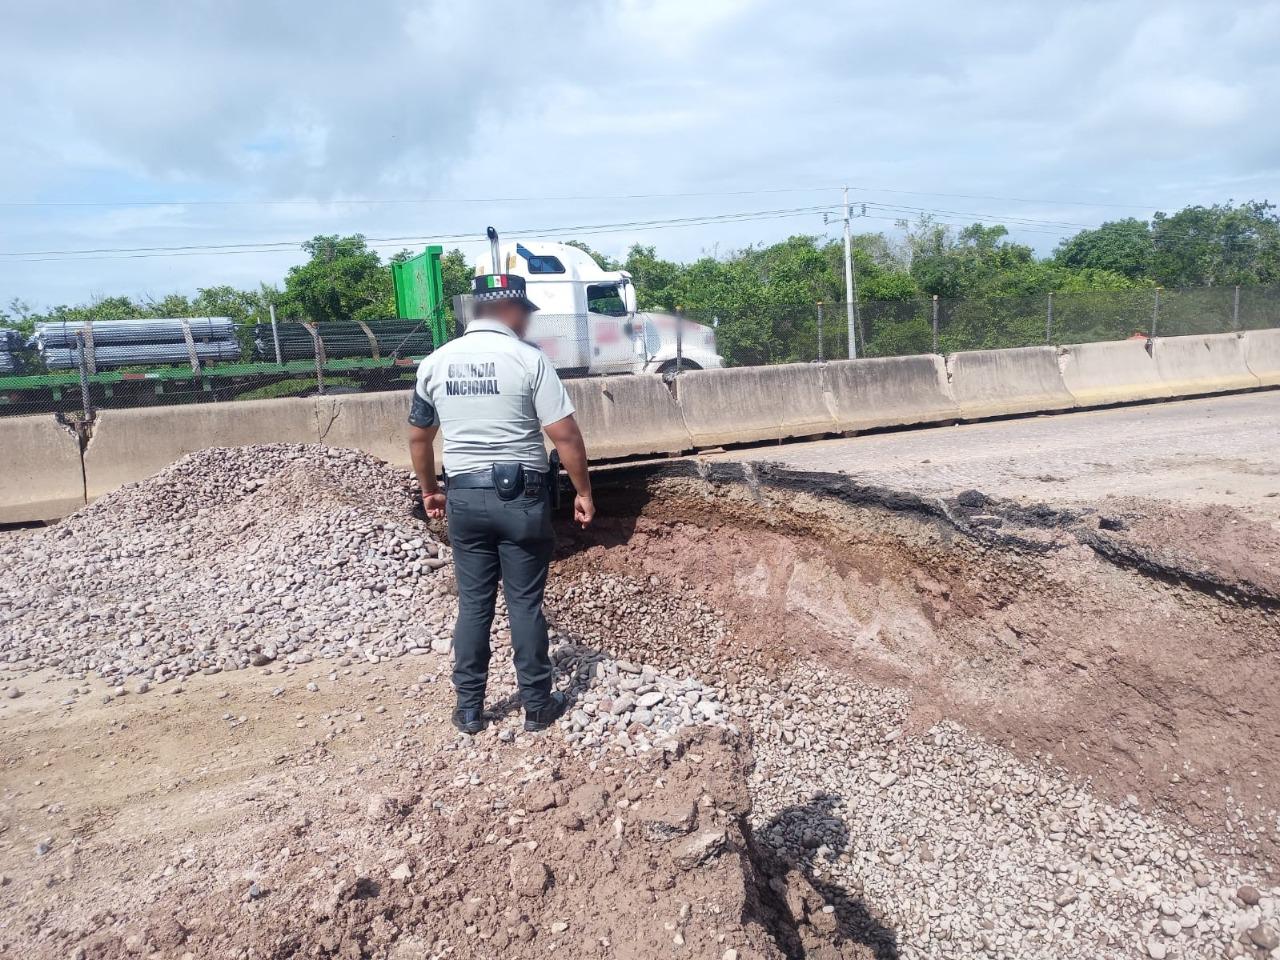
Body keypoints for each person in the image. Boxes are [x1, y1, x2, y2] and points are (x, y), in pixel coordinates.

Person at [407, 271, 594, 736]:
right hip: (522, 497)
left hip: (464, 496)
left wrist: (431, 489)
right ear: (508, 310)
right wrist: (584, 492)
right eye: (525, 312)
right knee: (524, 603)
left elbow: (418, 436)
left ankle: (469, 709)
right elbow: (565, 434)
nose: (527, 322)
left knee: (474, 606)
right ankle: (536, 705)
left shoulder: (434, 362)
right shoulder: (528, 360)